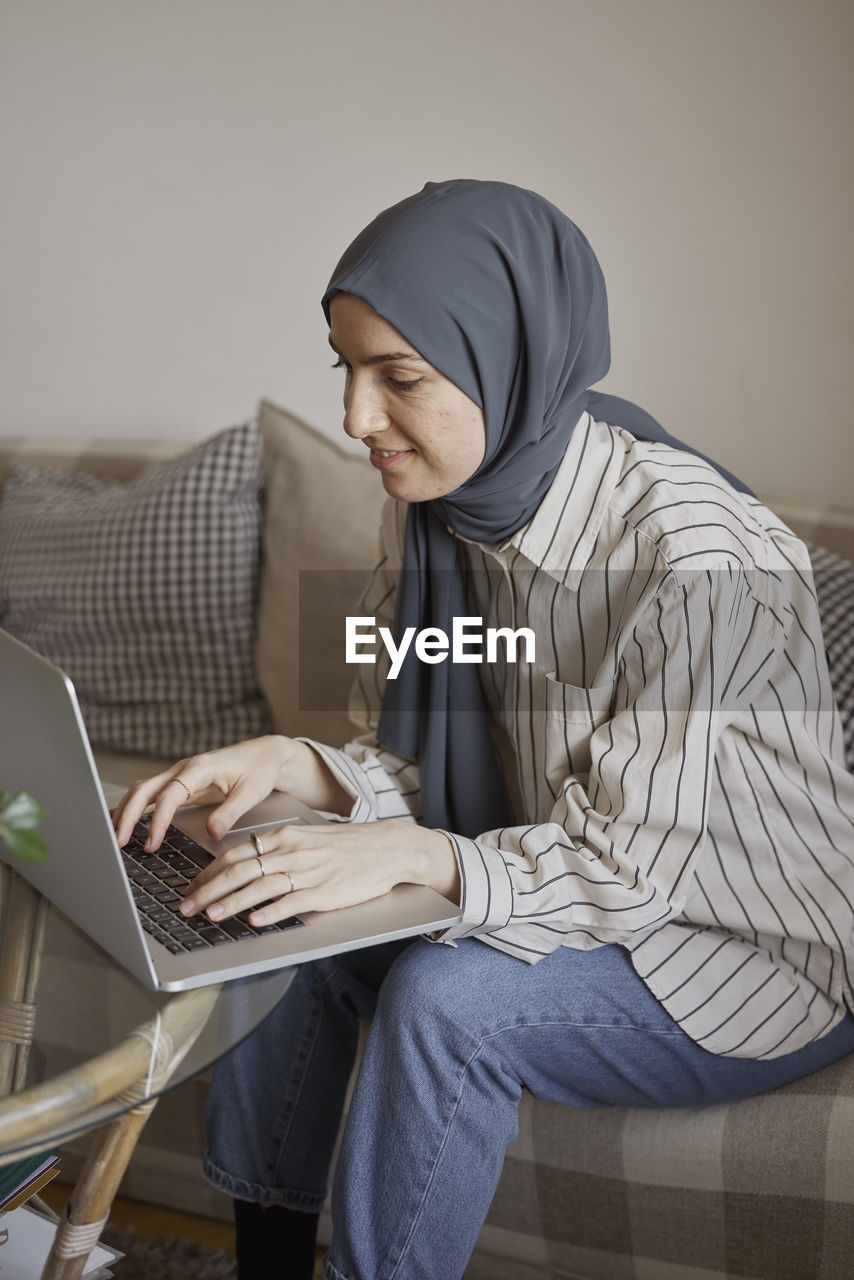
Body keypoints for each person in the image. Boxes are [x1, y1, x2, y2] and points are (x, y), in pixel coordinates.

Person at [112, 180, 854, 1280]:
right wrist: (296, 766)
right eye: (346, 369)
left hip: (741, 949)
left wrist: (407, 854)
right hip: (565, 873)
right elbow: (413, 752)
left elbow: (632, 868)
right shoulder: (436, 504)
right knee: (274, 904)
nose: (358, 419)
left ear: (512, 361)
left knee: (444, 999)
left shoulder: (696, 558)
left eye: (398, 377)